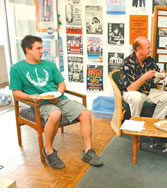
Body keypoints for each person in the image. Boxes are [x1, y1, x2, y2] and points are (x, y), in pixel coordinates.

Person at [9, 35, 103, 169]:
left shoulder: (49, 65)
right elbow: (16, 92)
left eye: (42, 48)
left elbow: (61, 84)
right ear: (27, 50)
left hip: (58, 99)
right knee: (55, 114)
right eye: (38, 48)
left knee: (86, 113)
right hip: (38, 103)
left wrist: (58, 93)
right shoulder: (17, 69)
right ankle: (48, 151)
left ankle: (87, 151)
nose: (42, 51)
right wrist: (31, 97)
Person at [119, 36, 167, 151]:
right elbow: (130, 88)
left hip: (147, 91)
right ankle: (135, 130)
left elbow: (155, 76)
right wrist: (143, 77)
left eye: (150, 47)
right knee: (137, 98)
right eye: (147, 48)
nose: (150, 50)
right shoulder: (127, 62)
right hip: (131, 93)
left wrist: (161, 75)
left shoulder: (149, 60)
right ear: (138, 49)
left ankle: (154, 130)